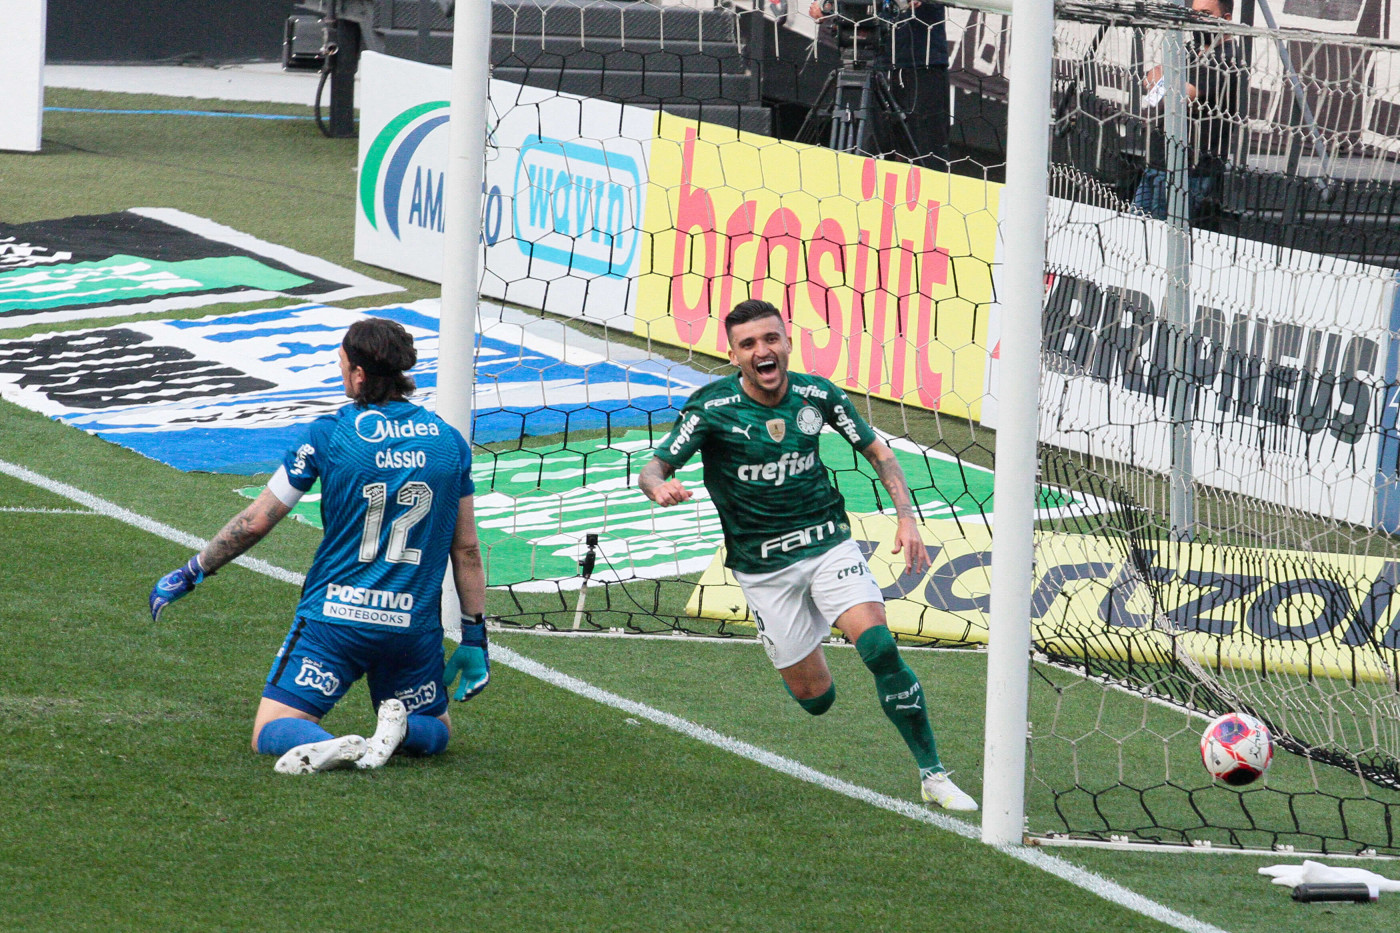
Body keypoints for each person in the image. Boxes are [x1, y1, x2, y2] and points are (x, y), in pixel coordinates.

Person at [638, 299, 977, 811]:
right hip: (763, 569)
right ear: (733, 356)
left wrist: (907, 518)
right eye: (748, 344)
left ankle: (933, 774)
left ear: (787, 342)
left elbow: (879, 452)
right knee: (817, 701)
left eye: (770, 339)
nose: (762, 351)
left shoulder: (817, 396)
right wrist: (659, 488)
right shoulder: (711, 408)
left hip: (827, 543)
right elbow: (653, 468)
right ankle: (797, 635)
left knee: (881, 648)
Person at [148, 318, 490, 774]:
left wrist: (193, 570)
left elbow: (254, 523)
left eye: (342, 364)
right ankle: (402, 730)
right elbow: (466, 550)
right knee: (437, 728)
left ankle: (334, 744)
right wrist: (474, 635)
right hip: (410, 627)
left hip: (336, 620)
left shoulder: (331, 435)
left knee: (272, 729)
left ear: (360, 375)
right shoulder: (450, 443)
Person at [1132, 0, 1242, 223]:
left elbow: (1181, 94)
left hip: (1189, 170)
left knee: (1166, 233)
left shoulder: (1226, 57)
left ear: (1226, 19)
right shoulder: (1195, 50)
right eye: (1194, 14)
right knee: (1135, 229)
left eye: (1205, 13)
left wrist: (1165, 79)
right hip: (1160, 160)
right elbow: (1150, 83)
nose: (1197, 20)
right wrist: (1166, 78)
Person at [808, 0, 951, 168]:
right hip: (870, 60)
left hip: (922, 62)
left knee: (927, 156)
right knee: (867, 155)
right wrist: (827, 5)